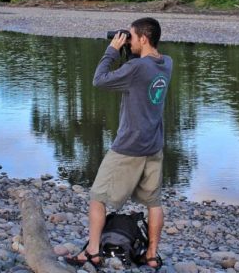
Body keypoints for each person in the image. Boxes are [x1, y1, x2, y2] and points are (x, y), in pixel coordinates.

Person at [66, 17, 172, 270]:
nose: (129, 40)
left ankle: (92, 251)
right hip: (154, 145)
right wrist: (130, 52)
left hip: (129, 146)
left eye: (131, 36)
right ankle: (152, 255)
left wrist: (112, 50)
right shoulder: (166, 63)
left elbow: (99, 80)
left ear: (144, 39)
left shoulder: (136, 69)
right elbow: (139, 71)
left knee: (97, 197)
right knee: (154, 202)